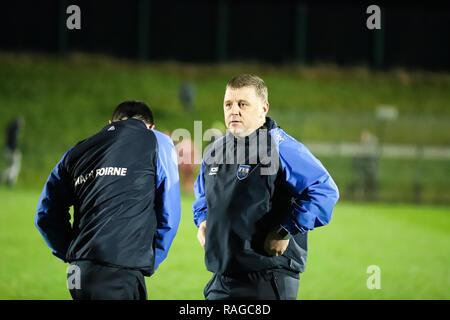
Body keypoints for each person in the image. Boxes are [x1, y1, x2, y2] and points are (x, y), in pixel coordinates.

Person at [193, 75, 339, 300]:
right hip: (222, 277)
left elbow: (324, 190)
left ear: (263, 108)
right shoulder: (215, 150)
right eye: (228, 104)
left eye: (242, 104)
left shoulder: (280, 147)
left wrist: (285, 230)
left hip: (267, 277)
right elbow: (202, 192)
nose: (234, 111)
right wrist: (202, 220)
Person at [35, 100, 181, 300]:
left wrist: (75, 252)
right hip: (121, 268)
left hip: (78, 271)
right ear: (151, 128)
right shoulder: (156, 140)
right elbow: (169, 213)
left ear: (111, 122)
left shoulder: (76, 151)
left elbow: (45, 215)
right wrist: (149, 258)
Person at [2, 116, 24, 187]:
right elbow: (13, 142)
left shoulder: (11, 129)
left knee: (14, 166)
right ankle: (8, 179)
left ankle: (9, 179)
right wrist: (14, 150)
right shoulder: (15, 131)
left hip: (8, 149)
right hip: (12, 150)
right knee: (15, 166)